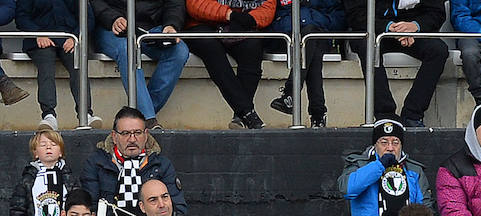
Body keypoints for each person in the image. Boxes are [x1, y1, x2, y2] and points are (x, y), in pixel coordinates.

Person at [343, 0, 447, 126]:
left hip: (413, 31)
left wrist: (415, 26)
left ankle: (412, 115)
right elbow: (355, 14)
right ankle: (385, 115)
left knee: (438, 51)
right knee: (368, 48)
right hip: (374, 29)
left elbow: (437, 12)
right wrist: (390, 27)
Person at [90, 0, 189, 125]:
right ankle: (147, 119)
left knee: (179, 51)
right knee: (127, 49)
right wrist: (112, 18)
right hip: (110, 28)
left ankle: (140, 117)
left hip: (151, 27)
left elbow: (175, 3)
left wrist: (172, 24)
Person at [81, 107, 188, 216]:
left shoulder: (162, 165)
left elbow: (178, 208)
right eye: (125, 133)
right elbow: (89, 211)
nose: (132, 139)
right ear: (114, 136)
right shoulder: (96, 163)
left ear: (146, 134)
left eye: (137, 133)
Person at [184, 0, 273, 129]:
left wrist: (249, 19)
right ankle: (246, 112)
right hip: (202, 24)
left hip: (242, 24)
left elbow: (268, 8)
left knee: (252, 47)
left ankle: (240, 117)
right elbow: (195, 5)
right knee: (212, 50)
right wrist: (229, 15)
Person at [340, 119, 434, 216]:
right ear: (375, 145)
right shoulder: (360, 164)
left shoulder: (414, 170)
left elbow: (426, 209)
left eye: (395, 142)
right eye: (384, 142)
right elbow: (348, 189)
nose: (390, 148)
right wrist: (379, 165)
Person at [17, 0, 94, 130]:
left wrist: (75, 37)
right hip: (39, 41)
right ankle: (49, 115)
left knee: (77, 64)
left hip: (68, 39)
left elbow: (87, 18)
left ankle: (85, 114)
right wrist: (37, 34)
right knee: (46, 65)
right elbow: (21, 17)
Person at [266, 0, 344, 127]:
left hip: (319, 35)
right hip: (286, 39)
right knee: (310, 40)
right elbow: (272, 18)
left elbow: (339, 19)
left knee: (310, 38)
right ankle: (318, 115)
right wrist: (301, 23)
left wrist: (314, 22)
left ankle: (290, 94)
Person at [10, 128, 70, 216]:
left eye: (53, 144)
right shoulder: (28, 180)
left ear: (61, 152)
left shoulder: (69, 178)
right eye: (43, 145)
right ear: (35, 153)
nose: (48, 147)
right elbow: (17, 211)